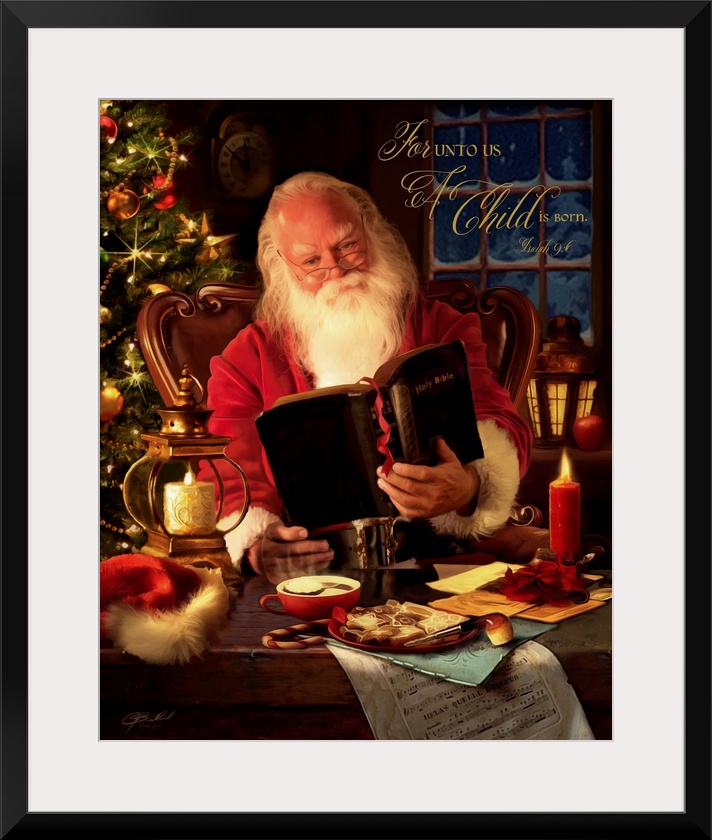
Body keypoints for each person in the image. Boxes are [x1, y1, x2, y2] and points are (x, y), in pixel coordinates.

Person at [202, 171, 536, 583]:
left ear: (370, 231)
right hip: (317, 573)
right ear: (282, 266)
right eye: (311, 261)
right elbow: (229, 468)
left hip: (438, 558)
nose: (336, 269)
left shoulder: (443, 326)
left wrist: (468, 483)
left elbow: (498, 420)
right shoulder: (247, 355)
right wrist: (259, 544)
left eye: (347, 247)